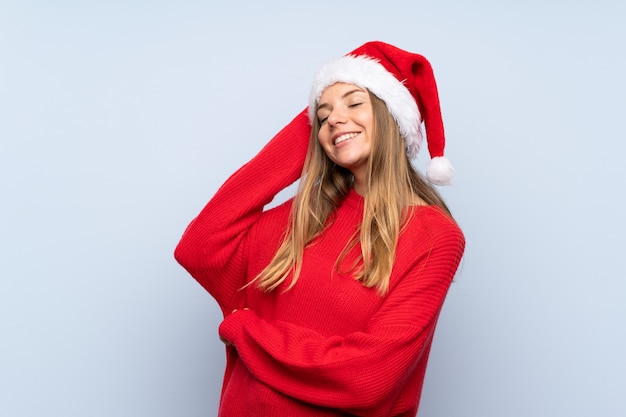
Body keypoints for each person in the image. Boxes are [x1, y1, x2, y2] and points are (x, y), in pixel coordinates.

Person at [174, 41, 465, 417]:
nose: (334, 119)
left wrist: (248, 332)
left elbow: (367, 378)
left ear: (392, 114)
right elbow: (199, 248)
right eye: (322, 114)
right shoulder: (304, 215)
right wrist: (312, 135)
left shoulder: (433, 236)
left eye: (354, 103)